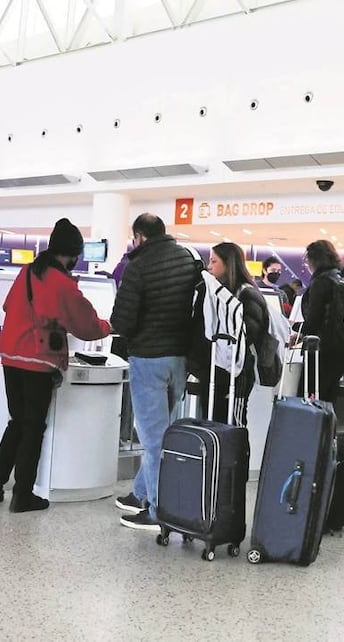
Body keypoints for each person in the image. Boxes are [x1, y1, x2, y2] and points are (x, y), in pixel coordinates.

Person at [0, 218, 111, 513]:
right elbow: (86, 324)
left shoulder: (27, 271)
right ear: (73, 254)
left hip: (10, 355)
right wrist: (108, 326)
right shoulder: (62, 283)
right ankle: (23, 494)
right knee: (33, 427)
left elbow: (7, 306)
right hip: (38, 360)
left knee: (16, 421)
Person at [110, 213, 202, 531]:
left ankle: (158, 512)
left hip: (148, 358)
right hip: (179, 360)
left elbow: (121, 321)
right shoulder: (188, 260)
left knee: (153, 440)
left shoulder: (138, 266)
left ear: (140, 237)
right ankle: (140, 493)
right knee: (164, 434)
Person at [197, 243, 269, 425]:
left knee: (233, 426)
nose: (209, 266)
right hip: (216, 374)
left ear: (229, 264)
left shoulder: (246, 294)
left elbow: (248, 335)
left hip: (237, 376)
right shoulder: (218, 294)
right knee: (213, 423)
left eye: (214, 261)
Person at [296, 239, 344, 403]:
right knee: (327, 400)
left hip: (320, 352)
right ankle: (326, 429)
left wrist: (295, 327)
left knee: (309, 399)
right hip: (340, 350)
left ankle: (310, 430)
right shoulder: (340, 278)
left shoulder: (321, 282)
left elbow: (313, 322)